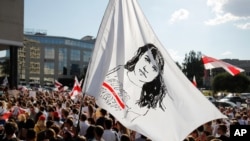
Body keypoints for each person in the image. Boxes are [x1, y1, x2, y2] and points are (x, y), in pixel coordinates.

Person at [100, 43, 170, 121]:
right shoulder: (119, 70)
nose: (146, 68)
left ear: (157, 76)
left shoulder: (145, 101)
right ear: (140, 55)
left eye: (154, 68)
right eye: (146, 59)